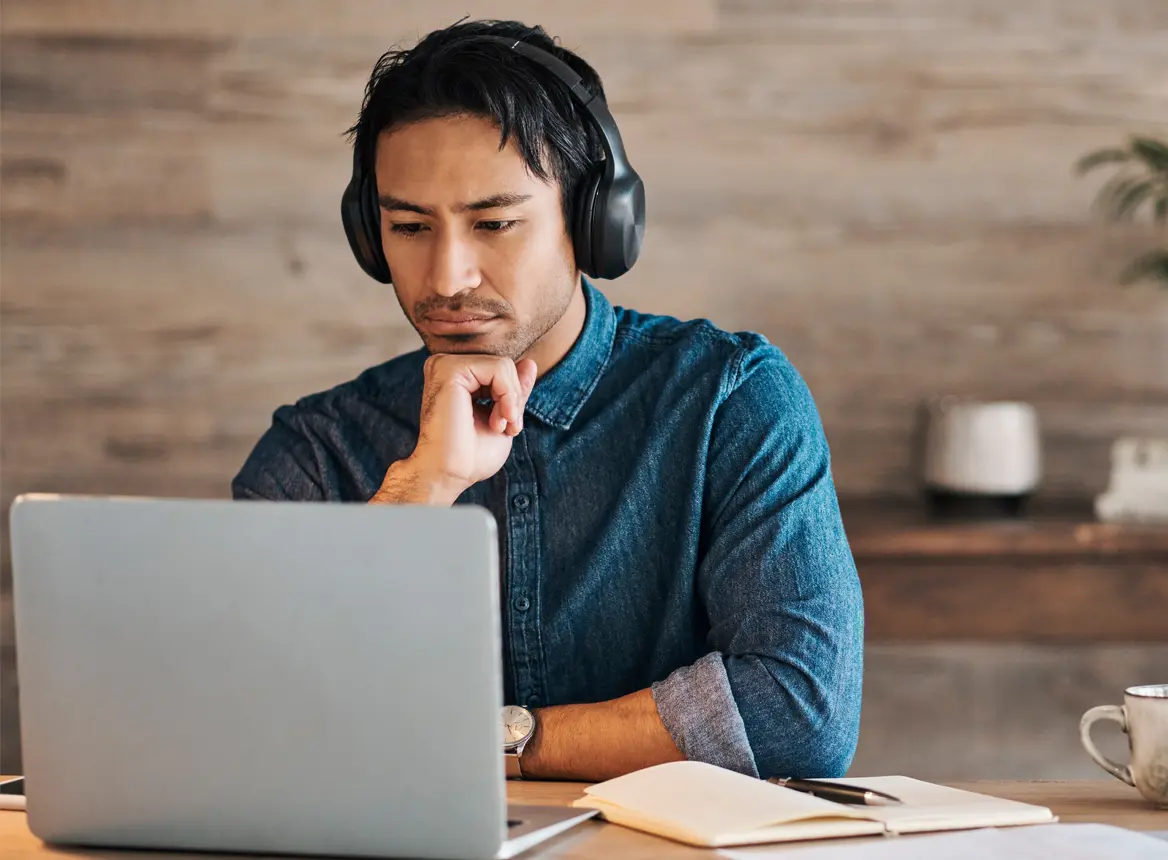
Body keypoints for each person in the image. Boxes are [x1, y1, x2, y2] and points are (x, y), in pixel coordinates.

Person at [233, 19, 863, 783]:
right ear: (370, 236)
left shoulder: (730, 400)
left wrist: (499, 740)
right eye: (409, 226)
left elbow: (800, 712)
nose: (447, 277)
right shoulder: (315, 449)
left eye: (494, 223)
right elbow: (252, 713)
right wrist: (420, 489)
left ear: (596, 220)